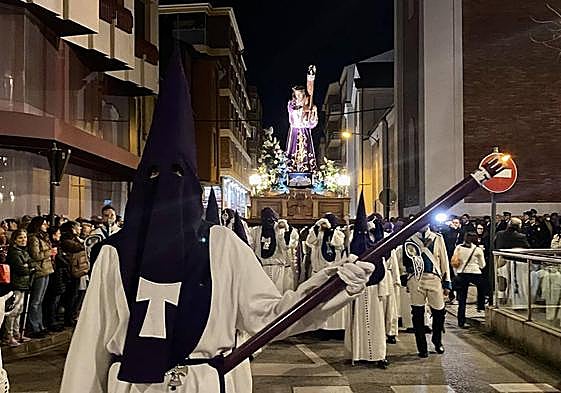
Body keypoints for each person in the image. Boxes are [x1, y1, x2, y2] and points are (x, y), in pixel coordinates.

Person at [60, 52, 374, 393]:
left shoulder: (222, 245)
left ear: (192, 186)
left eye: (177, 174)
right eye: (154, 175)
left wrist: (333, 286)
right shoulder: (115, 254)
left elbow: (269, 315)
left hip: (204, 383)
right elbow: (88, 352)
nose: (166, 186)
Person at [345, 192, 389, 369]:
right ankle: (358, 353)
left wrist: (382, 291)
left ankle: (378, 355)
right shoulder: (351, 245)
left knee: (376, 324)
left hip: (373, 291)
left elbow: (381, 268)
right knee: (358, 323)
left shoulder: (375, 247)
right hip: (358, 290)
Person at [393, 224, 451, 358]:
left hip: (434, 278)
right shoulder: (409, 239)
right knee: (417, 314)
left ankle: (437, 341)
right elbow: (403, 261)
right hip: (416, 280)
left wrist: (447, 282)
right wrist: (405, 279)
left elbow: (444, 260)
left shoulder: (437, 238)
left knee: (439, 313)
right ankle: (422, 347)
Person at [306, 213, 347, 330]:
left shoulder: (338, 233)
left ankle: (336, 329)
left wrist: (331, 231)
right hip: (319, 272)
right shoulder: (318, 232)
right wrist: (316, 228)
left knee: (334, 301)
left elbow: (338, 244)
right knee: (320, 302)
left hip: (333, 273)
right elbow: (310, 242)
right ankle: (321, 328)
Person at [250, 208, 299, 293]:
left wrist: (283, 232)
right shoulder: (256, 231)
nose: (268, 221)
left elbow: (285, 246)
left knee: (277, 295)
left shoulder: (281, 229)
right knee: (262, 295)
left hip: (278, 268)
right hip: (261, 268)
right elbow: (251, 248)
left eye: (270, 219)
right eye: (265, 219)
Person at [26, 216, 54, 338]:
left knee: (40, 300)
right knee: (36, 301)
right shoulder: (33, 238)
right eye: (44, 224)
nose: (46, 226)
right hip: (39, 270)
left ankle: (40, 325)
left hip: (46, 269)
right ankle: (34, 327)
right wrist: (50, 252)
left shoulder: (43, 237)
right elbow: (35, 255)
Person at [4, 229, 33, 346]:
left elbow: (31, 263)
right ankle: (9, 335)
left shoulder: (23, 251)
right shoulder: (14, 252)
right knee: (13, 311)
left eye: (25, 237)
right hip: (16, 284)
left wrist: (29, 267)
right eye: (20, 238)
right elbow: (22, 269)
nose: (23, 240)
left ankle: (17, 333)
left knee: (20, 310)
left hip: (24, 284)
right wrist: (29, 268)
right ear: (15, 240)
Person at [451, 232, 486, 328]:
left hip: (462, 273)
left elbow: (454, 260)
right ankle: (480, 306)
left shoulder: (458, 247)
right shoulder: (478, 250)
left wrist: (457, 272)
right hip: (475, 273)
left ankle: (461, 321)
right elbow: (483, 265)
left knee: (462, 299)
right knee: (482, 287)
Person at [286, 84, 318, 172]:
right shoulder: (291, 104)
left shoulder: (308, 104)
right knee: (293, 149)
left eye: (301, 94)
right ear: (295, 95)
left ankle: (307, 167)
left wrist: (313, 112)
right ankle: (291, 166)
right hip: (295, 130)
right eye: (297, 94)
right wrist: (306, 109)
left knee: (306, 149)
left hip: (305, 130)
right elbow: (294, 111)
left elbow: (312, 124)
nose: (299, 96)